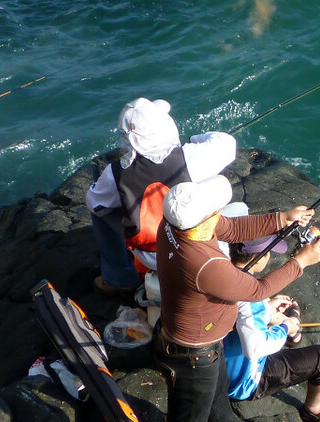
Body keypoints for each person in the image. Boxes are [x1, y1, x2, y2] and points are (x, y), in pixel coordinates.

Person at [148, 175, 320, 422]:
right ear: (199, 220)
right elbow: (258, 289)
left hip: (205, 340)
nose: (217, 213)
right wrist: (301, 262)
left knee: (217, 390)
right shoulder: (205, 265)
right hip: (190, 352)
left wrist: (281, 219)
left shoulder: (174, 224)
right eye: (211, 209)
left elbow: (229, 226)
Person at [85, 97, 236, 296]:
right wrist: (194, 140)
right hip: (195, 247)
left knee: (100, 212)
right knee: (220, 188)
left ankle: (119, 279)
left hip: (151, 255)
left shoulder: (115, 172)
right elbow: (227, 142)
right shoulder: (191, 157)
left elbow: (93, 202)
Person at [221, 206, 320, 422]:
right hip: (240, 382)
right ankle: (314, 408)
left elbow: (238, 313)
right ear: (258, 256)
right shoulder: (248, 295)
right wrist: (285, 327)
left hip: (209, 364)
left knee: (277, 311)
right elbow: (254, 347)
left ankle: (293, 332)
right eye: (269, 250)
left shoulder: (217, 271)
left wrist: (266, 309)